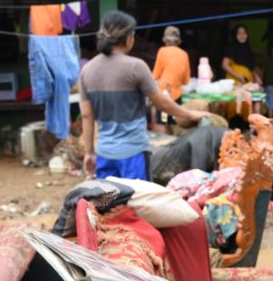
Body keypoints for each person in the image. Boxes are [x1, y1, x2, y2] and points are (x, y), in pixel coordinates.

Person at [80, 11, 198, 180]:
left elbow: (86, 115)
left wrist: (89, 152)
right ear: (127, 38)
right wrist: (190, 114)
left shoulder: (87, 70)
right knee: (138, 203)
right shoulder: (136, 67)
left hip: (105, 154)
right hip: (133, 154)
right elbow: (162, 103)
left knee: (108, 203)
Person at [151, 25, 190, 101]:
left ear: (165, 40)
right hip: (178, 95)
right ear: (178, 41)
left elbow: (155, 75)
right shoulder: (185, 54)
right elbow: (185, 81)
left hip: (164, 93)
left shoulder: (162, 51)